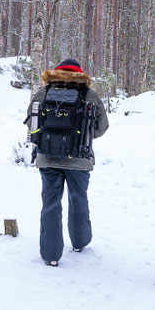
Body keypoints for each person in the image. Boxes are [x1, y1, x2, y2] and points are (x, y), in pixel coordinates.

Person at [25, 58, 108, 267]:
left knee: (50, 204)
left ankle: (51, 255)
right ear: (79, 72)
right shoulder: (90, 94)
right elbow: (102, 126)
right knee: (78, 198)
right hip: (79, 158)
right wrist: (81, 138)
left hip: (48, 157)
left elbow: (32, 121)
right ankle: (80, 242)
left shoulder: (44, 92)